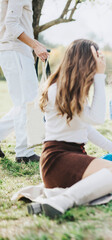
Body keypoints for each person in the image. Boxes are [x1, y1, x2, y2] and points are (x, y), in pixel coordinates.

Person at [27, 39, 112, 218]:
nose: (99, 64)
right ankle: (63, 200)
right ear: (87, 62)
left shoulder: (73, 90)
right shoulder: (57, 89)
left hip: (74, 156)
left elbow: (86, 128)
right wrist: (99, 77)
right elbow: (97, 118)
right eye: (97, 59)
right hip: (58, 159)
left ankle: (72, 195)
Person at [0, 0, 50, 162]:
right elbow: (11, 24)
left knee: (25, 102)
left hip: (16, 51)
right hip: (15, 50)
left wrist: (34, 46)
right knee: (26, 103)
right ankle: (23, 153)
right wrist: (35, 45)